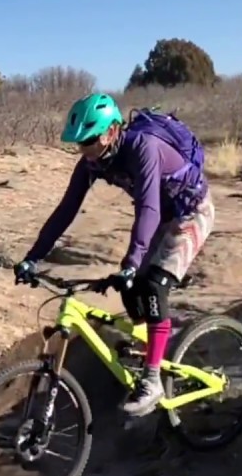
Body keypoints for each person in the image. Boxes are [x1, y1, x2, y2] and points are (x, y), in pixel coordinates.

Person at [13, 93, 215, 422]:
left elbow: (148, 207)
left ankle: (152, 381)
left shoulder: (142, 147)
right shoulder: (93, 163)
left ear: (112, 131)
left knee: (152, 285)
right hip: (162, 218)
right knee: (128, 288)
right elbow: (65, 210)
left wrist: (134, 261)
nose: (86, 149)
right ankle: (159, 345)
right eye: (79, 144)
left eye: (90, 140)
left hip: (191, 213)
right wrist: (32, 258)